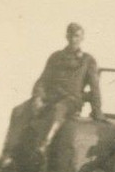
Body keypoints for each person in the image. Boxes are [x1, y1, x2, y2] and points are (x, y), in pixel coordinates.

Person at [30, 22, 103, 158]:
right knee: (20, 110)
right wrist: (37, 97)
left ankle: (44, 144)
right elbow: (42, 80)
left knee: (59, 109)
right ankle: (11, 152)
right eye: (70, 35)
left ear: (82, 38)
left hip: (72, 101)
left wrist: (97, 111)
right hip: (50, 98)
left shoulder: (87, 60)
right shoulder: (55, 57)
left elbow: (95, 88)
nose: (73, 39)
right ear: (66, 36)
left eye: (77, 36)